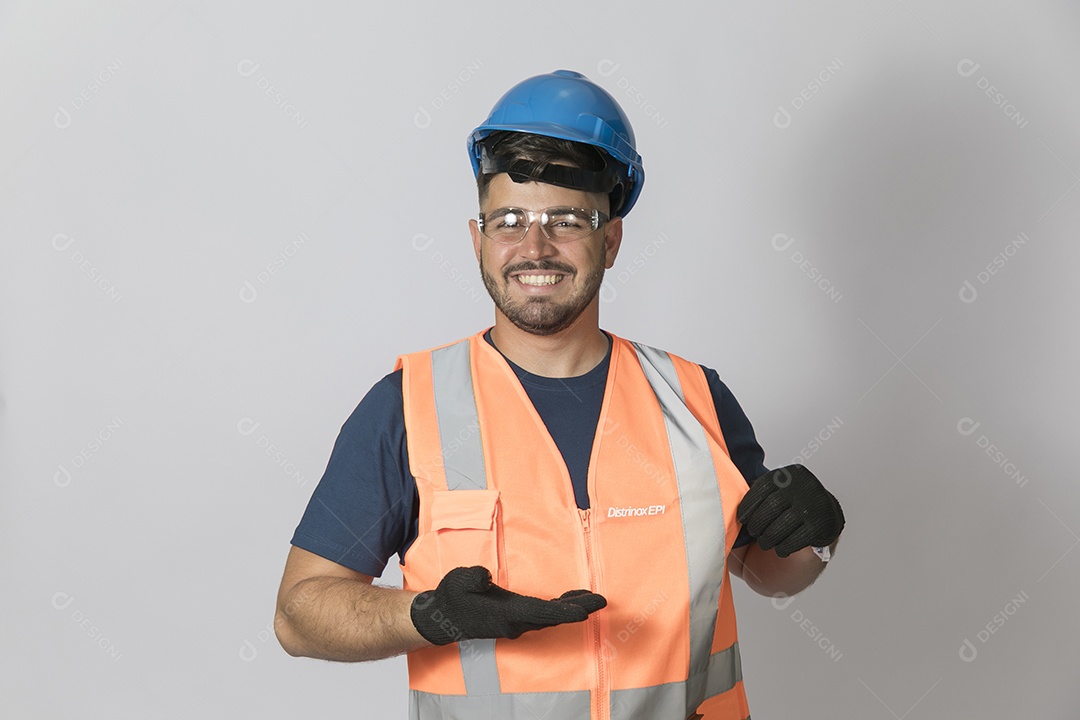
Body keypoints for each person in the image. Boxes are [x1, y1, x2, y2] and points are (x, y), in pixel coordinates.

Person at [274, 69, 845, 720]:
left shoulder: (694, 398)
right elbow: (300, 612)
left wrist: (815, 534)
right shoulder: (408, 407)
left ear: (611, 239)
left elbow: (769, 570)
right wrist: (427, 614)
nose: (534, 247)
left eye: (566, 220)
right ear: (478, 240)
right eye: (509, 220)